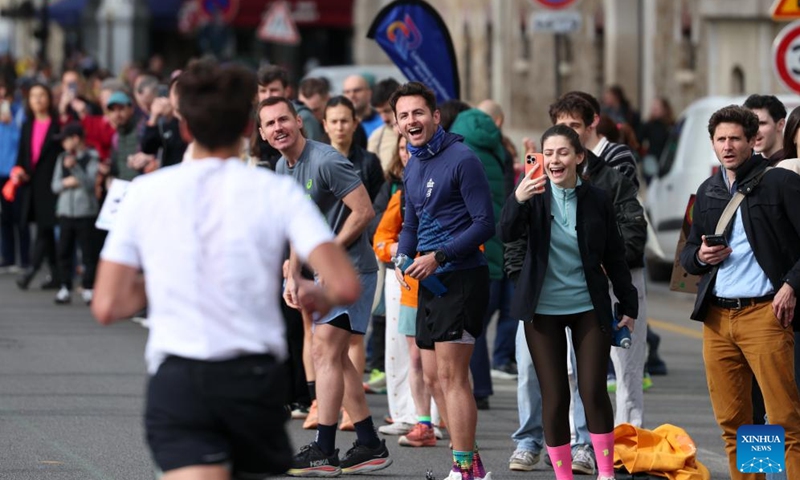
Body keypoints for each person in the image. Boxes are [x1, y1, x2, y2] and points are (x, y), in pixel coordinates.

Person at [91, 59, 361, 480]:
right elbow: (344, 283)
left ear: (184, 128)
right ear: (246, 128)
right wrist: (317, 293)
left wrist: (169, 280)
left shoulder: (145, 193)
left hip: (179, 375)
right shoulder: (276, 190)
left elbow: (108, 304)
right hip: (252, 376)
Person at [258, 96, 392, 476]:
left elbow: (364, 211)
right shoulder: (283, 170)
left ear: (300, 122)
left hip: (352, 270)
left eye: (283, 119)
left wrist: (327, 252)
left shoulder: (327, 160)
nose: (278, 127)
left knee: (324, 352)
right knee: (335, 358)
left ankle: (325, 449)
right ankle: (368, 443)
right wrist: (292, 273)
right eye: (270, 124)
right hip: (320, 275)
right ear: (264, 134)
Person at [499, 124, 638, 480]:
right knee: (555, 395)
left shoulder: (597, 198)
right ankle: (563, 477)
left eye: (563, 153)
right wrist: (519, 199)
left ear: (578, 157)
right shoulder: (532, 195)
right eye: (549, 153)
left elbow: (615, 254)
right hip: (541, 309)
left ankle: (605, 474)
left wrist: (628, 304)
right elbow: (506, 233)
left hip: (588, 306)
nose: (555, 160)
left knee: (593, 389)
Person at [679, 105, 800, 480]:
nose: (727, 146)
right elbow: (685, 260)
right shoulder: (708, 190)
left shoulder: (778, 182)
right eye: (720, 139)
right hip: (717, 318)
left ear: (752, 141)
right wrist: (700, 255)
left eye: (735, 138)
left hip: (765, 314)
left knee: (783, 422)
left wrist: (792, 284)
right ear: (712, 143)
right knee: (736, 423)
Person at [392, 81, 495, 480]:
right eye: (404, 115)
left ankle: (463, 468)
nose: (411, 121)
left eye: (418, 112)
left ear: (435, 116)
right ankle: (472, 463)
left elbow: (485, 224)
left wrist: (439, 256)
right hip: (428, 281)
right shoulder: (414, 162)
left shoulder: (462, 158)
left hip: (462, 277)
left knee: (453, 377)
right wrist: (404, 254)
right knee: (434, 377)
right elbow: (410, 223)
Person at [449, 107, 511, 409]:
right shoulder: (499, 147)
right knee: (482, 322)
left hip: (474, 244)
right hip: (500, 240)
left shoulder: (461, 154)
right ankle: (482, 387)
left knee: (470, 327)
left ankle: (477, 388)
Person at [15, 82, 63, 290]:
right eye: (33, 96)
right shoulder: (27, 124)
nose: (37, 99)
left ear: (49, 99)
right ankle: (56, 274)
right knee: (45, 227)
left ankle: (31, 270)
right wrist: (19, 171)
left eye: (42, 95)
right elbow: (23, 153)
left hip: (51, 183)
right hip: (31, 183)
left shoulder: (57, 125)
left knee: (44, 227)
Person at [50, 122, 99, 305]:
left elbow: (89, 184)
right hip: (65, 211)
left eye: (66, 140)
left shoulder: (91, 157)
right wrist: (67, 182)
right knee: (64, 250)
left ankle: (88, 287)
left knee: (87, 252)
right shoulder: (62, 157)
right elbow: (54, 185)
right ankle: (65, 286)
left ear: (76, 139)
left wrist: (75, 168)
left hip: (85, 212)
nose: (63, 144)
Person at [367, 78, 401, 170]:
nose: (384, 118)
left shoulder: (419, 131)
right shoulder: (377, 138)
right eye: (380, 113)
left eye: (387, 111)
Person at [743, 94, 786, 165]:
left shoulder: (793, 165)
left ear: (780, 124)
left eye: (762, 123)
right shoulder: (753, 166)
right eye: (750, 124)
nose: (754, 130)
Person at [343, 74, 383, 139]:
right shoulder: (338, 124)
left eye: (357, 90)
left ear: (369, 93)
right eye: (347, 92)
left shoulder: (383, 120)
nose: (352, 95)